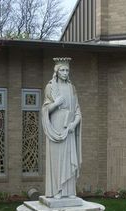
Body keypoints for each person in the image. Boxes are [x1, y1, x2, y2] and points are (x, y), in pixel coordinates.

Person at [42, 57, 82, 199]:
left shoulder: (72, 88)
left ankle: (69, 191)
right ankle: (57, 190)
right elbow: (45, 110)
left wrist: (73, 124)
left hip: (68, 128)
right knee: (57, 160)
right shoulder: (51, 87)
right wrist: (56, 103)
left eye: (67, 70)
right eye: (62, 70)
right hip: (56, 128)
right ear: (57, 71)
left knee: (69, 158)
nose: (65, 73)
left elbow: (78, 111)